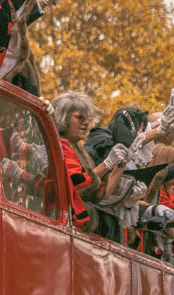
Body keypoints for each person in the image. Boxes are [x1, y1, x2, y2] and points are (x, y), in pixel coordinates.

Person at [52, 92, 142, 230]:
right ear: (62, 119)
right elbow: (79, 183)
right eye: (79, 117)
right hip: (61, 225)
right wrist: (106, 164)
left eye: (87, 118)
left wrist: (121, 163)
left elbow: (102, 194)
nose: (86, 122)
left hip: (77, 228)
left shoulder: (79, 150)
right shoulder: (59, 146)